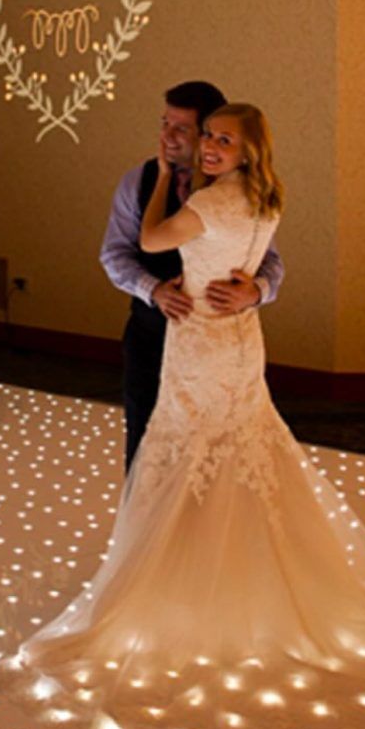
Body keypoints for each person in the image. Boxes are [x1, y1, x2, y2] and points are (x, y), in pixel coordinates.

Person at [0, 104, 365, 729]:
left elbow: (157, 240)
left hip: (205, 344)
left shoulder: (207, 200)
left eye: (219, 138)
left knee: (190, 453)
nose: (206, 145)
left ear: (245, 149)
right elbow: (160, 256)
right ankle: (222, 574)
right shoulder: (264, 197)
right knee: (236, 452)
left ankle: (183, 589)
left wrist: (195, 218)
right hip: (228, 342)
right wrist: (213, 283)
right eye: (203, 135)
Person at [100, 80, 285, 472]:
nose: (167, 136)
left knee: (213, 447)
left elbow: (270, 261)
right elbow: (114, 253)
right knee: (147, 439)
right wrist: (154, 291)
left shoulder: (235, 193)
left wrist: (255, 292)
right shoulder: (138, 181)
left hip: (212, 345)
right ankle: (145, 527)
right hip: (153, 333)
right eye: (164, 123)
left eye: (182, 128)